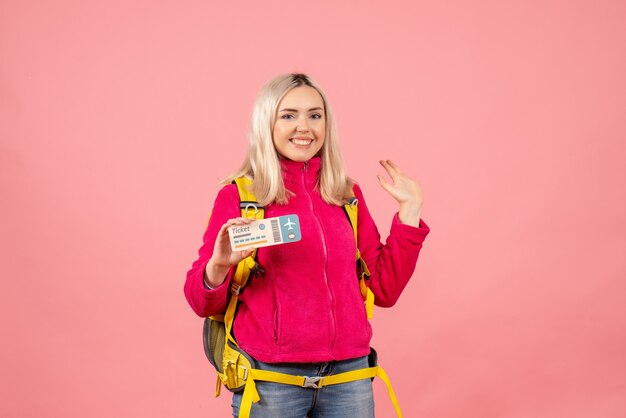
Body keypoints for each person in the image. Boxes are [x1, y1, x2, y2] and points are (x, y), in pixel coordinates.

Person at [184, 73, 430, 418]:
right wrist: (219, 266)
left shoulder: (346, 196)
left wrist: (410, 213)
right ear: (266, 123)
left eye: (315, 115)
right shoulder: (240, 196)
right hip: (271, 381)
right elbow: (199, 300)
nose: (304, 127)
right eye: (289, 115)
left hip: (350, 377)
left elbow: (384, 289)